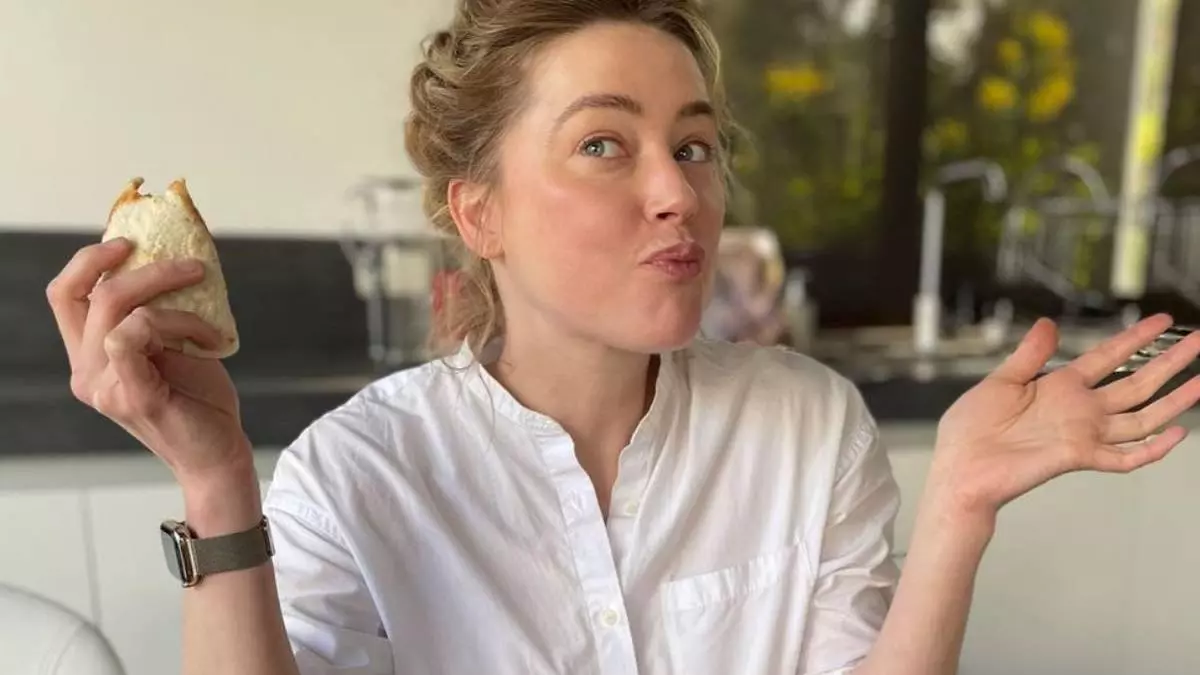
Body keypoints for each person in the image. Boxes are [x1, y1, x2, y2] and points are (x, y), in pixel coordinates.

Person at [46, 1, 1200, 674]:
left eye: (694, 147)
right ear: (478, 214)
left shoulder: (805, 423)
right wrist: (216, 487)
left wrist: (957, 508)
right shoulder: (356, 476)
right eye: (604, 144)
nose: (678, 194)